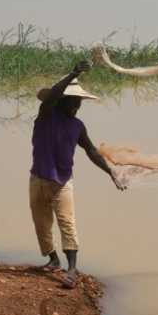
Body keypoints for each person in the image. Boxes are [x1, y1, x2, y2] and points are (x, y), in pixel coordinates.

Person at [30, 59, 125, 288]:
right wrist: (72, 73)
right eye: (73, 101)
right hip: (38, 177)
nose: (77, 105)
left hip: (62, 182)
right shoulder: (45, 117)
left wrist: (110, 171)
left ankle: (71, 269)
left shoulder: (78, 126)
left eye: (79, 102)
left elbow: (91, 151)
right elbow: (52, 97)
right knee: (41, 223)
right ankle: (53, 260)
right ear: (61, 101)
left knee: (67, 223)